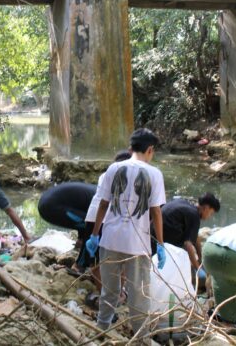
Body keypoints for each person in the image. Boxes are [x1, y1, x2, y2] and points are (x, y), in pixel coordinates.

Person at [85, 128, 166, 338]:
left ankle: (101, 330)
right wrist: (161, 245)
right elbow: (156, 212)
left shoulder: (113, 168)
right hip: (137, 247)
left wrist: (95, 235)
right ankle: (142, 337)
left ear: (131, 148)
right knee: (139, 295)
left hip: (109, 240)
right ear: (150, 149)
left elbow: (103, 204)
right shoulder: (154, 174)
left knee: (109, 292)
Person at [76, 150, 132, 291]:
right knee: (105, 259)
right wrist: (95, 233)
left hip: (103, 219)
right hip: (100, 218)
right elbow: (104, 203)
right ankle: (111, 293)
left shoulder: (106, 175)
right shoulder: (118, 176)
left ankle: (112, 293)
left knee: (99, 259)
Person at [153, 193, 220, 272]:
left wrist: (200, 257)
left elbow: (195, 236)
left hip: (154, 233)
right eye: (211, 213)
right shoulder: (194, 216)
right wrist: (198, 269)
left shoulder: (188, 205)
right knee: (185, 258)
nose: (210, 217)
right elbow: (188, 244)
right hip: (160, 244)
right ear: (206, 208)